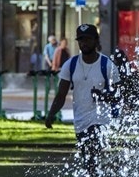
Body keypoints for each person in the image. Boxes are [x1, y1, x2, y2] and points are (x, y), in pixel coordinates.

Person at [43, 23, 115, 167]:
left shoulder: (107, 65)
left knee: (92, 152)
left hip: (100, 119)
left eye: (88, 39)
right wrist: (51, 114)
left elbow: (118, 94)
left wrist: (103, 95)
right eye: (81, 40)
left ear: (96, 41)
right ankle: (96, 176)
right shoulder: (70, 65)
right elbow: (61, 94)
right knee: (86, 156)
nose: (84, 43)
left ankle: (93, 176)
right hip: (81, 120)